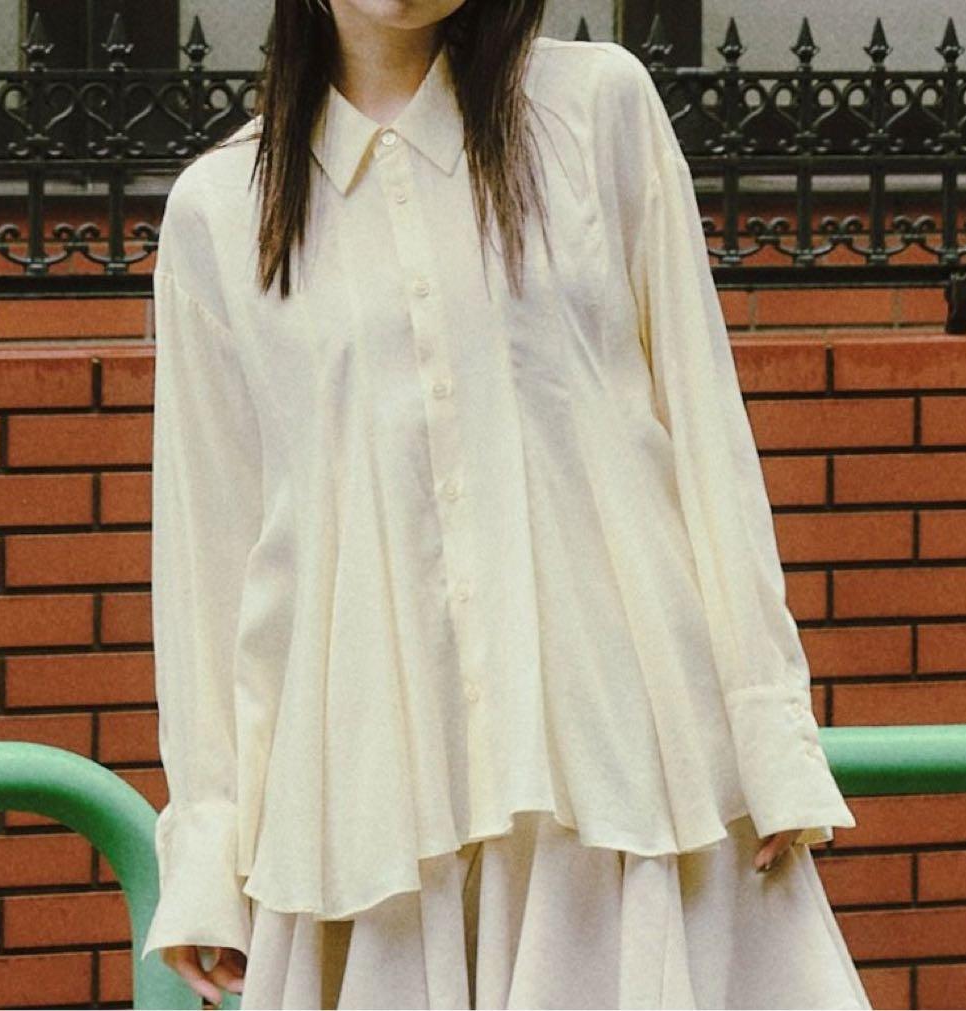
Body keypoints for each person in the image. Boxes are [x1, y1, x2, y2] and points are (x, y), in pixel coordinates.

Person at [140, 1, 873, 1008]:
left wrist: (767, 728)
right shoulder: (221, 207)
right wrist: (210, 844)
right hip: (377, 818)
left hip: (623, 772)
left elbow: (706, 428)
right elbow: (211, 555)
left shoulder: (596, 109)